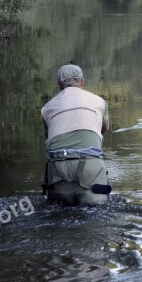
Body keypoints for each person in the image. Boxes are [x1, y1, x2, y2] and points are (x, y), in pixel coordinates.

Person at [41, 64, 112, 205]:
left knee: (58, 211)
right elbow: (104, 128)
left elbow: (49, 138)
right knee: (96, 212)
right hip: (90, 163)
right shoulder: (99, 102)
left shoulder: (46, 108)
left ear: (58, 86)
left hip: (58, 166)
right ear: (82, 82)